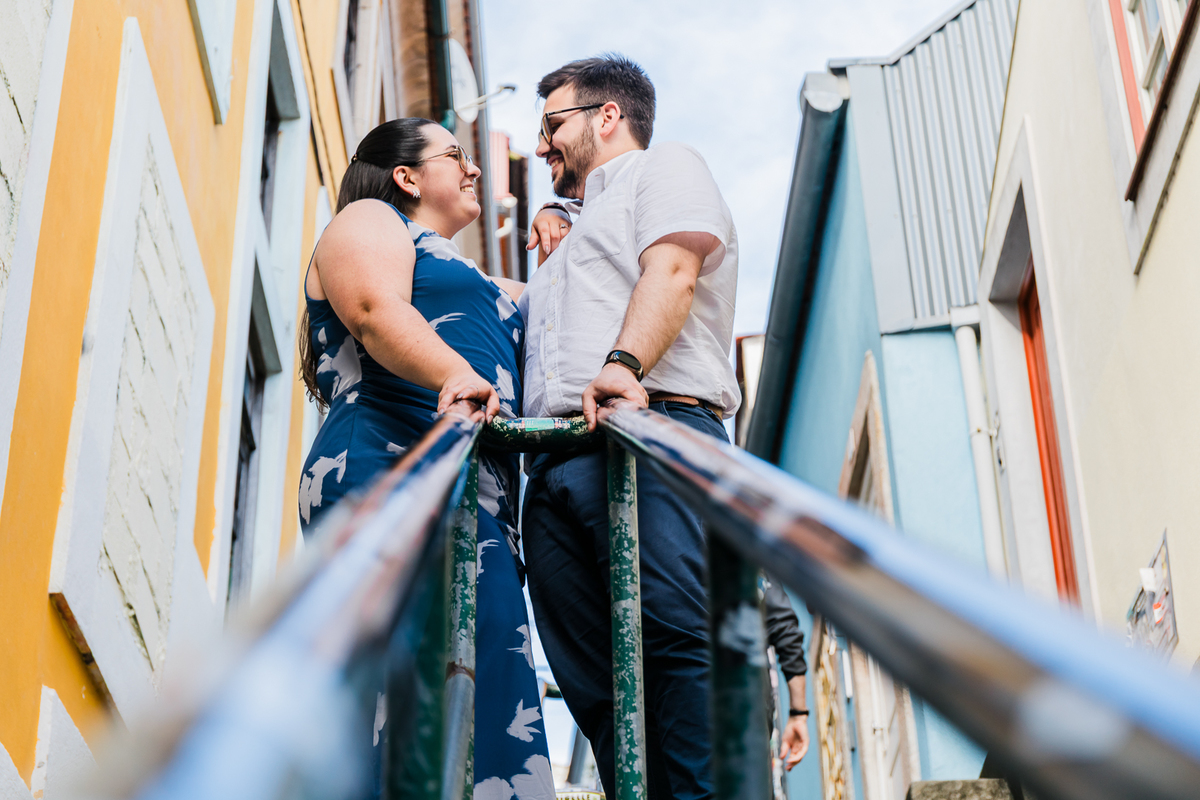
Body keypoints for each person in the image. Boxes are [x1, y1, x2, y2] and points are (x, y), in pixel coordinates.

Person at [296, 118, 553, 800]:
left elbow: (568, 300)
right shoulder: (369, 221)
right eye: (456, 156)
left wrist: (565, 227)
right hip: (389, 461)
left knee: (487, 690)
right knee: (399, 690)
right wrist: (454, 373)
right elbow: (373, 308)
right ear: (406, 176)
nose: (474, 170)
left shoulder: (483, 279)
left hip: (482, 499)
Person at [517, 54, 740, 800]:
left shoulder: (664, 167)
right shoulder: (567, 237)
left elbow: (674, 269)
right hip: (553, 465)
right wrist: (563, 219)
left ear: (606, 116)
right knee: (596, 683)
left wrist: (624, 363)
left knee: (679, 637)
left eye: (552, 124)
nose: (541, 145)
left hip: (652, 427)